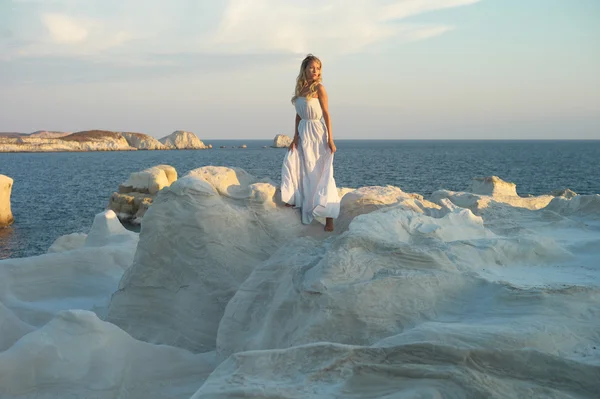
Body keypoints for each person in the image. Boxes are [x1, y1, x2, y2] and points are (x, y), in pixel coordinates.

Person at [280, 54, 340, 232]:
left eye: (318, 68)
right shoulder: (301, 89)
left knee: (321, 171)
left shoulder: (319, 89)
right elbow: (299, 114)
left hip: (317, 132)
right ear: (304, 69)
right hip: (303, 132)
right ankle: (296, 200)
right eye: (312, 68)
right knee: (297, 165)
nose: (315, 71)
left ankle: (329, 219)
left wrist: (330, 138)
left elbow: (327, 114)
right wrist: (295, 137)